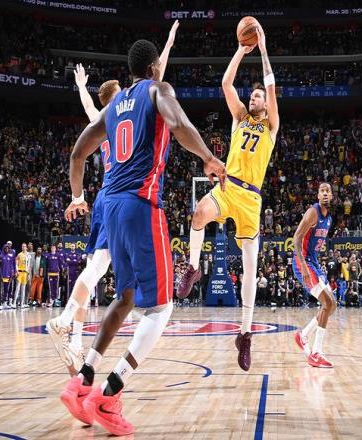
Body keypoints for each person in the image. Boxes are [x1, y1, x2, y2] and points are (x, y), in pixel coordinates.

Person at [55, 38, 226, 435]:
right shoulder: (157, 89)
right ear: (152, 68)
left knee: (126, 297)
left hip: (110, 208)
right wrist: (207, 157)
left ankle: (82, 380)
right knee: (161, 309)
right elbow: (179, 125)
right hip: (140, 205)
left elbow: (77, 154)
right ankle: (110, 394)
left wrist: (78, 196)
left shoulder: (114, 104)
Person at [47, 20, 180, 373]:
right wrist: (167, 46)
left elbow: (86, 125)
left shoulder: (107, 116)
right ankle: (64, 321)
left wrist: (81, 87)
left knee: (102, 270)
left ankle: (77, 342)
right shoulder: (125, 110)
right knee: (98, 269)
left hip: (109, 199)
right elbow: (155, 80)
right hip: (120, 196)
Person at [176, 23, 279, 371]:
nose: (253, 99)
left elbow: (270, 85)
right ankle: (193, 268)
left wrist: (263, 49)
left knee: (250, 271)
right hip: (228, 186)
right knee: (198, 214)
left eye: (258, 97)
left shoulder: (271, 126)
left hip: (252, 200)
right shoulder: (238, 118)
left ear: (265, 103)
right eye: (252, 97)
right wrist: (240, 50)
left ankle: (245, 335)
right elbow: (225, 84)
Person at [293, 183, 337, 368]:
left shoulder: (329, 218)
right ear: (318, 195)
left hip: (314, 263)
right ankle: (316, 353)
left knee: (332, 305)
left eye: (328, 191)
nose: (325, 193)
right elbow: (296, 238)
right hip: (302, 263)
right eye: (322, 191)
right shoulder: (313, 212)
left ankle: (303, 335)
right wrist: (303, 265)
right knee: (327, 303)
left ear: (331, 196)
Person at [13, 243, 30, 309]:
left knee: (23, 289)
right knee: (17, 288)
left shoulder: (28, 255)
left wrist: (28, 274)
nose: (23, 247)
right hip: (19, 272)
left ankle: (22, 304)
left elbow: (28, 265)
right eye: (22, 246)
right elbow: (16, 264)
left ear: (26, 247)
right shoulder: (19, 254)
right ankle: (14, 303)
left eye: (24, 246)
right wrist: (16, 271)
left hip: (25, 273)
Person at [0, 244, 15, 309]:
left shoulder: (10, 257)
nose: (7, 249)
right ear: (3, 249)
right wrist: (0, 275)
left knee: (7, 289)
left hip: (8, 276)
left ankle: (5, 302)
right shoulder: (1, 256)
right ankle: (1, 303)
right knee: (2, 290)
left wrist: (11, 275)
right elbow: (0, 267)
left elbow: (11, 266)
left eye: (8, 248)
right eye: (5, 248)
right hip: (2, 276)